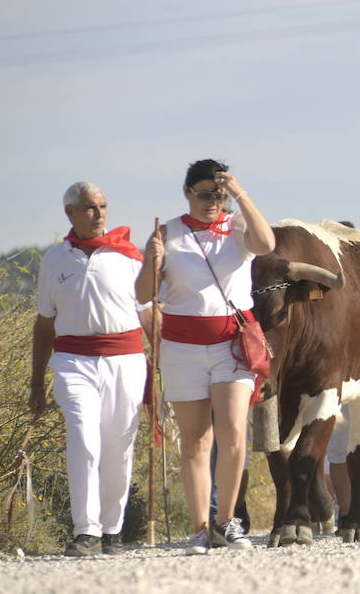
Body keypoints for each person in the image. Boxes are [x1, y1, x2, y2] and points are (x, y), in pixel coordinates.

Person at [138, 159, 275, 555]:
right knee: (196, 441)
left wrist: (241, 194)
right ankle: (199, 528)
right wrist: (151, 258)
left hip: (231, 346)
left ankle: (226, 522)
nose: (212, 202)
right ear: (187, 194)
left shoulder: (238, 227)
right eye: (203, 195)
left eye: (218, 195)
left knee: (234, 432)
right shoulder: (169, 233)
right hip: (181, 348)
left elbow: (267, 245)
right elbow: (142, 294)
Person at [31, 182, 148, 556]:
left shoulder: (130, 257)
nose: (99, 214)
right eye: (90, 207)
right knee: (83, 438)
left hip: (125, 360)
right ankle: (86, 530)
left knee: (119, 446)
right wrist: (36, 384)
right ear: (70, 213)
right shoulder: (54, 259)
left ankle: (112, 528)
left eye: (103, 206)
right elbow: (44, 324)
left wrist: (163, 365)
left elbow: (150, 314)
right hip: (72, 361)